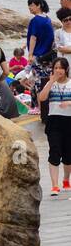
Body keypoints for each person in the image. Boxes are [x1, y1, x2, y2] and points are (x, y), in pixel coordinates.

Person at [37, 56, 71, 196]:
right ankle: (55, 185)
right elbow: (42, 98)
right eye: (55, 68)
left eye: (60, 68)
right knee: (54, 151)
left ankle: (65, 179)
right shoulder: (50, 83)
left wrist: (69, 103)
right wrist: (51, 81)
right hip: (54, 121)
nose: (58, 71)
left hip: (69, 121)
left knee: (69, 156)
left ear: (66, 69)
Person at [28, 0, 57, 117]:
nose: (30, 8)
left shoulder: (35, 20)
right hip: (48, 56)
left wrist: (30, 54)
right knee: (46, 82)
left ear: (39, 5)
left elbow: (33, 38)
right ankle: (45, 108)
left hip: (38, 56)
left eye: (32, 5)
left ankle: (38, 108)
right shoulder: (47, 19)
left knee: (36, 83)